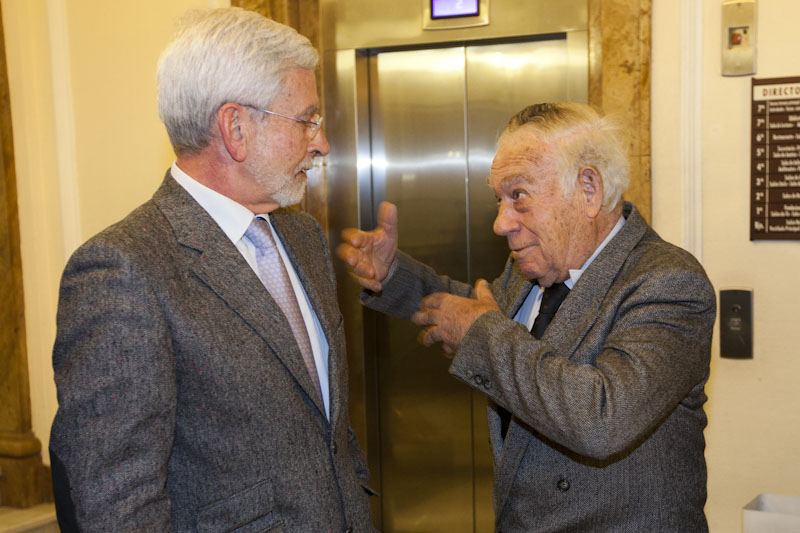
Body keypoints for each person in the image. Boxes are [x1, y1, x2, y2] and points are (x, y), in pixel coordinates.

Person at [49, 8, 374, 532]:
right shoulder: (123, 270)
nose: (321, 142)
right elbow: (117, 505)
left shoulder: (302, 237)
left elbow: (326, 423)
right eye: (307, 120)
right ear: (236, 127)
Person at [338, 102, 716, 531]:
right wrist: (394, 277)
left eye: (518, 196)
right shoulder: (530, 269)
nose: (501, 223)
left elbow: (602, 418)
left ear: (588, 189)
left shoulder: (669, 282)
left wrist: (481, 333)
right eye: (498, 199)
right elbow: (476, 312)